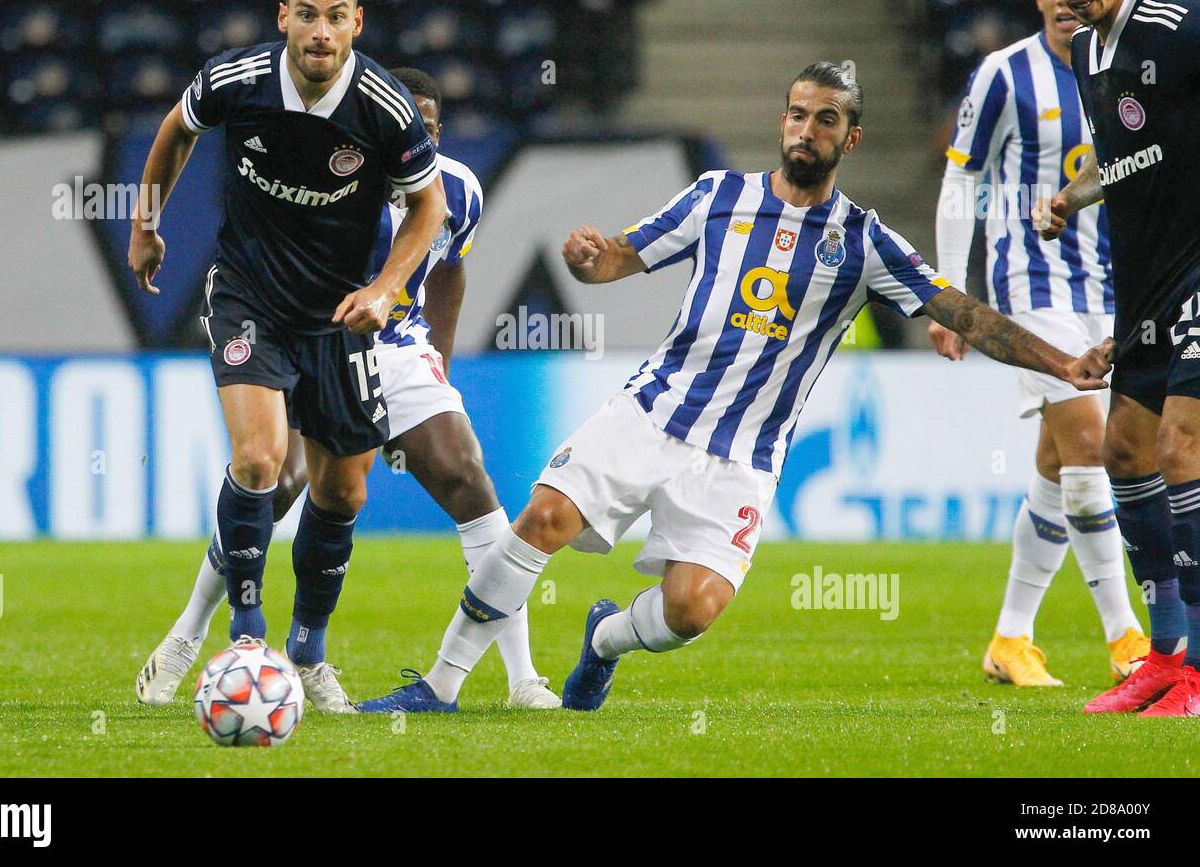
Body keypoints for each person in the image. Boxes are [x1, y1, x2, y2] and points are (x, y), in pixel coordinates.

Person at [357, 61, 1113, 714]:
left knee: (690, 609)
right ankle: (439, 684)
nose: (804, 129)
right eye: (796, 113)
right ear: (781, 120)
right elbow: (622, 256)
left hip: (743, 456)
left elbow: (966, 312)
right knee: (544, 517)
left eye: (825, 120)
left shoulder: (865, 241)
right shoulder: (718, 195)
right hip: (651, 411)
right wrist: (591, 259)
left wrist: (1064, 365)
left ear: (850, 139)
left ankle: (604, 638)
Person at [137, 69, 560, 711]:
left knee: (468, 479)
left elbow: (449, 270)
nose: (420, 138)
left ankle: (522, 677)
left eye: (432, 127)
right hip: (322, 338)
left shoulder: (457, 189)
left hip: (400, 346)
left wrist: (438, 359)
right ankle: (186, 636)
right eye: (411, 125)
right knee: (276, 485)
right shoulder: (339, 168)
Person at [128, 0, 447, 713]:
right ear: (283, 18)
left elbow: (428, 207)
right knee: (260, 455)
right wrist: (147, 223)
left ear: (356, 24)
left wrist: (383, 287)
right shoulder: (235, 79)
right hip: (248, 294)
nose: (321, 31)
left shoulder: (383, 105)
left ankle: (307, 649)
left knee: (344, 488)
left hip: (338, 313)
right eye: (307, 12)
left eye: (337, 15)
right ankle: (245, 631)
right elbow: (177, 129)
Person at [931, 0, 1145, 687]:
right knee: (1092, 444)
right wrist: (951, 296)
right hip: (1032, 287)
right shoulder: (1004, 74)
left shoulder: (1128, 70)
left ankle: (1011, 639)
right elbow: (963, 176)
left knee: (1059, 464)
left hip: (1117, 288)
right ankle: (1128, 642)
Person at [1034, 0, 1200, 717]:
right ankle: (1164, 656)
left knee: (1180, 444)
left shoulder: (1180, 27)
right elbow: (1131, 157)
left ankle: (1198, 670)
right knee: (1124, 451)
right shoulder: (1087, 53)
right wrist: (1073, 194)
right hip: (1144, 280)